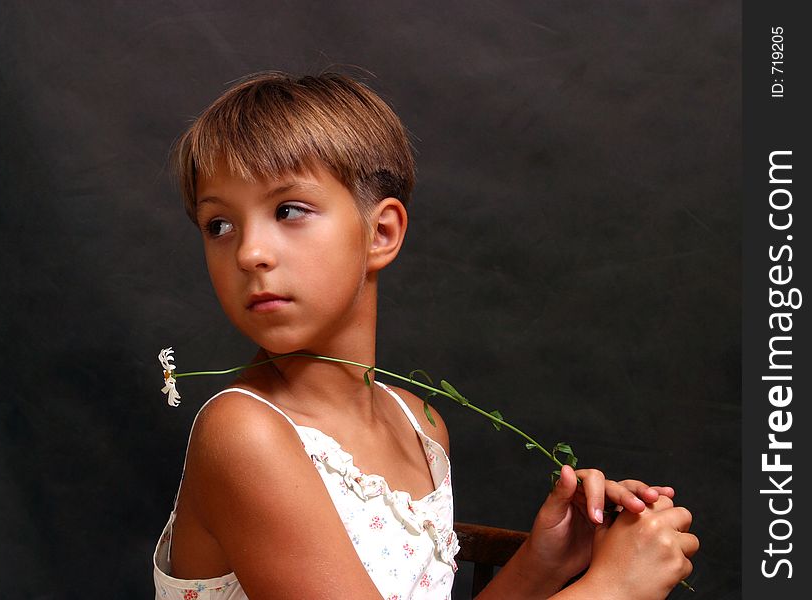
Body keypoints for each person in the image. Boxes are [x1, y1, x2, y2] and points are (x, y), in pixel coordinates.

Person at [152, 71, 698, 600]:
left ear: (381, 233)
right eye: (219, 225)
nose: (249, 253)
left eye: (288, 210)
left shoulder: (419, 425)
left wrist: (541, 566)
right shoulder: (245, 435)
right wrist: (611, 590)